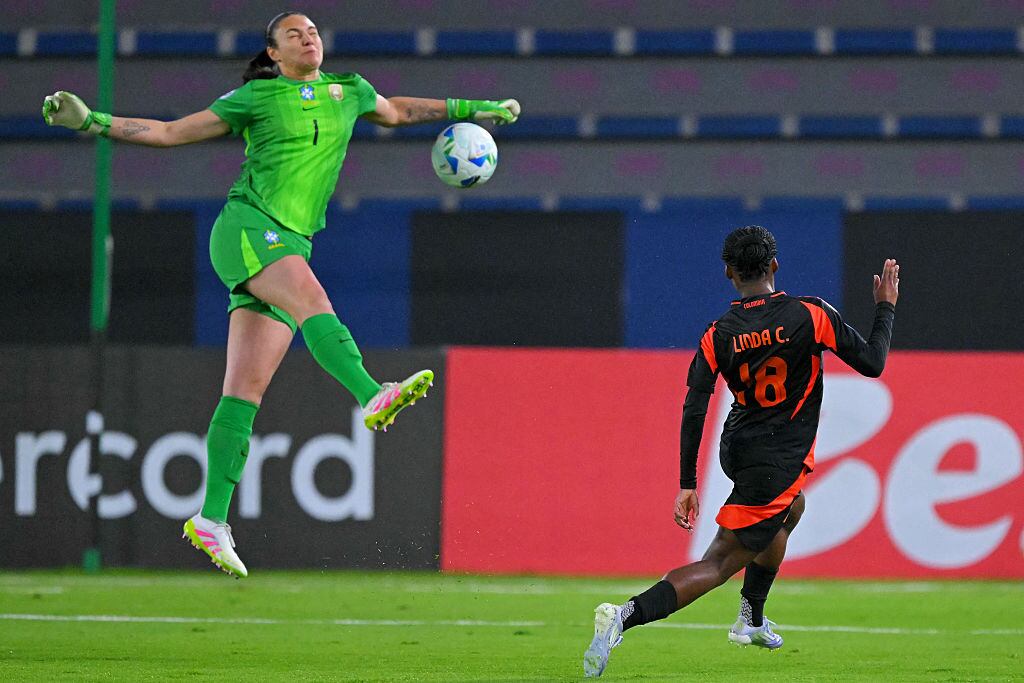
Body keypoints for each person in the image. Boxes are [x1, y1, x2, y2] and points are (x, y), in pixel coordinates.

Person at [41, 11, 521, 579]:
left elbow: (398, 111)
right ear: (273, 54)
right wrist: (91, 121)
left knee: (244, 390)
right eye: (293, 34)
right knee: (313, 300)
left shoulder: (350, 92)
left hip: (291, 239)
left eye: (313, 30)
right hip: (247, 227)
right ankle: (370, 392)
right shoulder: (255, 98)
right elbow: (171, 133)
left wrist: (475, 110)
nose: (308, 37)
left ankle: (211, 518)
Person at [583, 226, 899, 677]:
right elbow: (873, 362)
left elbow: (694, 408)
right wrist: (885, 306)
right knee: (719, 562)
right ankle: (622, 616)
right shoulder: (810, 315)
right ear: (774, 265)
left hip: (736, 447)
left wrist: (688, 483)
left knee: (791, 509)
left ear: (729, 273)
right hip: (775, 459)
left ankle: (751, 616)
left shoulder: (718, 334)